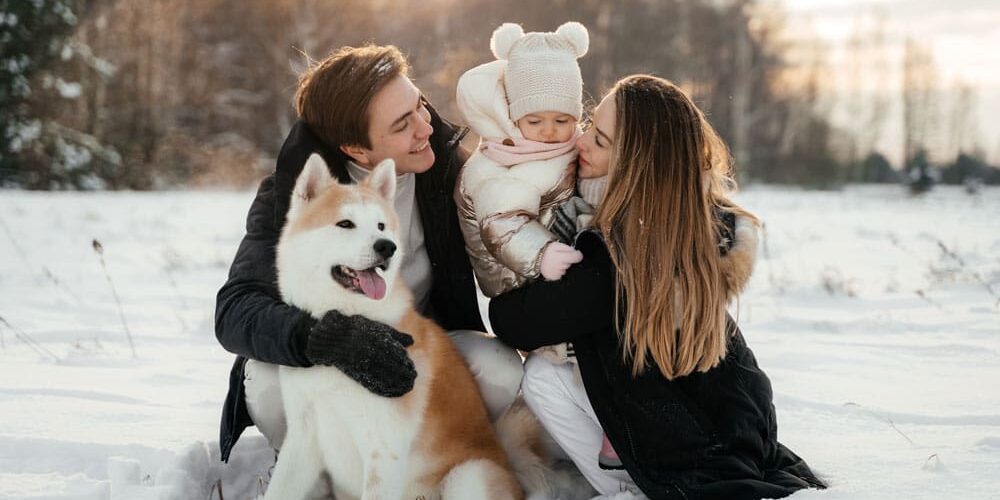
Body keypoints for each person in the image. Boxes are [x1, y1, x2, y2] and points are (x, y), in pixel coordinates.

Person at [489, 75, 826, 498]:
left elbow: (514, 322)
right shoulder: (685, 223)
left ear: (635, 165)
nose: (581, 142)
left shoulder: (618, 254)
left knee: (542, 374)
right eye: (591, 125)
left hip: (692, 450)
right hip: (739, 425)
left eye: (601, 140)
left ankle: (630, 490)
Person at [214, 44, 524, 463]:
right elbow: (236, 309)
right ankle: (312, 469)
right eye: (402, 125)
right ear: (356, 151)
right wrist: (322, 339)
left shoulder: (445, 170)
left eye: (420, 107)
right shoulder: (293, 198)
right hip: (329, 364)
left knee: (499, 366)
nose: (425, 128)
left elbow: (519, 215)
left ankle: (424, 464)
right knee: (265, 378)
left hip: (416, 355)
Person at [454, 21, 590, 299]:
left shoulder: (574, 144)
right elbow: (501, 221)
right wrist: (542, 253)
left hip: (563, 267)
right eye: (535, 120)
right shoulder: (498, 163)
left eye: (562, 120)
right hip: (517, 280)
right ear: (514, 118)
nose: (549, 130)